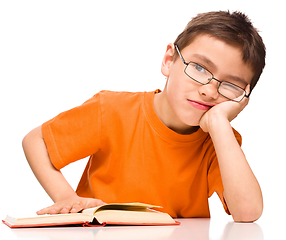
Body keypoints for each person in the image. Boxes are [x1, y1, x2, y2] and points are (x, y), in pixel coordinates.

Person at [22, 11, 265, 222]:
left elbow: (246, 212)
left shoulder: (220, 141)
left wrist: (220, 124)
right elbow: (36, 141)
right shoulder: (112, 110)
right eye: (199, 68)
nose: (209, 91)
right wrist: (66, 198)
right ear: (169, 60)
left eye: (231, 85)